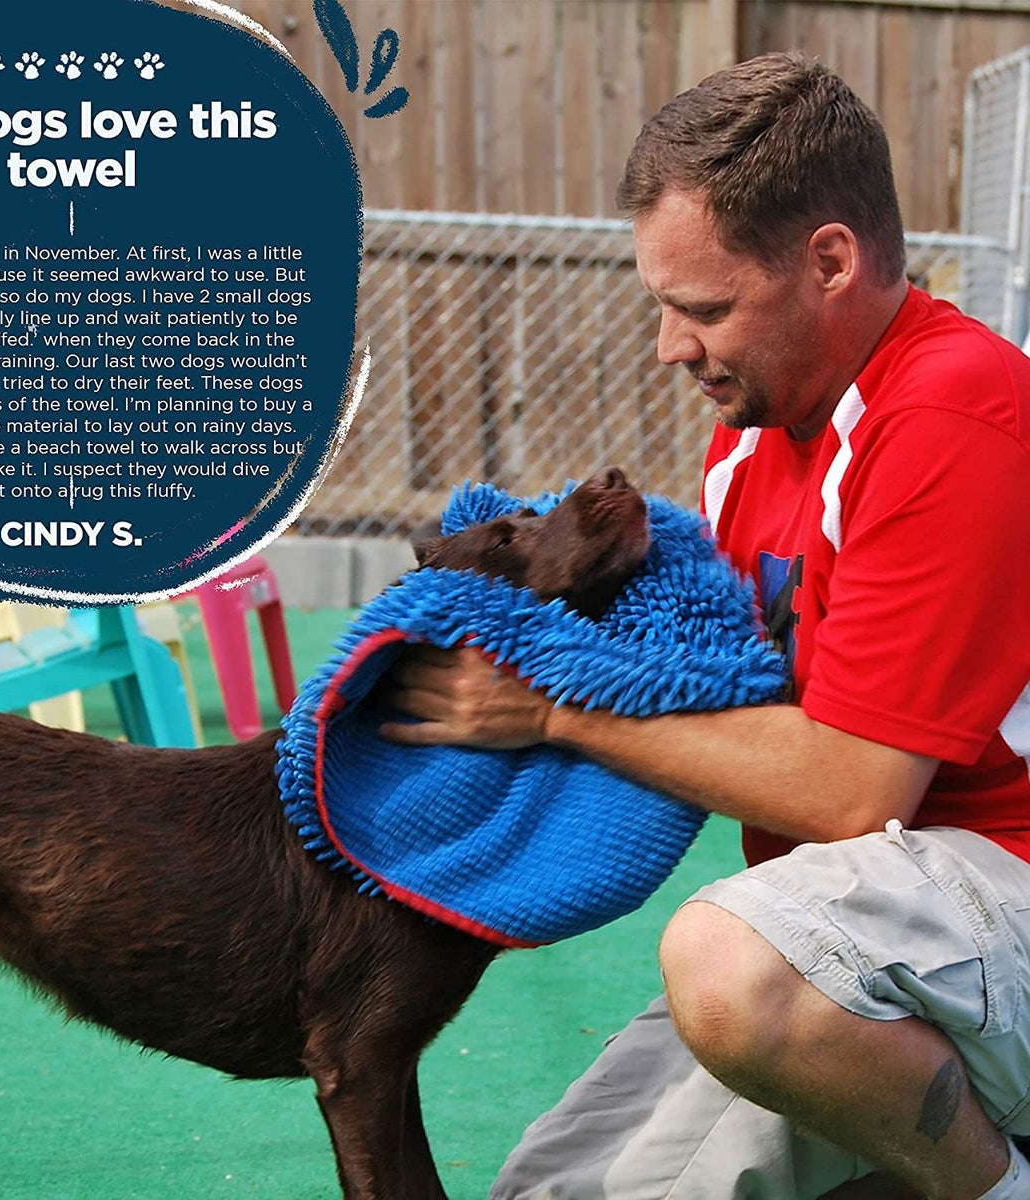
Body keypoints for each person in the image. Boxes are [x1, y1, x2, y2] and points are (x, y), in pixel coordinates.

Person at [382, 52, 1030, 1200]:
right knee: (547, 1190)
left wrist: (546, 709)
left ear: (830, 262)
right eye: (663, 306)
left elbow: (855, 791)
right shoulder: (754, 436)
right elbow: (706, 692)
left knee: (730, 967)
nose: (671, 347)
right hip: (868, 940)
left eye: (705, 309)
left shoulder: (954, 414)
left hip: (978, 894)